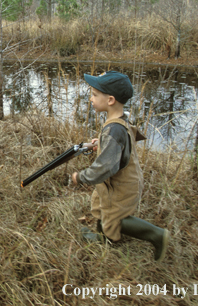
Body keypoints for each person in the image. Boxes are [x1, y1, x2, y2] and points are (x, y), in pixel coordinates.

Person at [70, 71, 170, 262]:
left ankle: (157, 235)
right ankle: (102, 234)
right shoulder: (118, 121)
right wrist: (101, 142)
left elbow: (104, 168)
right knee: (102, 206)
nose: (91, 99)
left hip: (122, 186)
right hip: (117, 185)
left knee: (115, 218)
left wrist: (81, 177)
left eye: (94, 95)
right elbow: (119, 145)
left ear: (110, 100)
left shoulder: (114, 130)